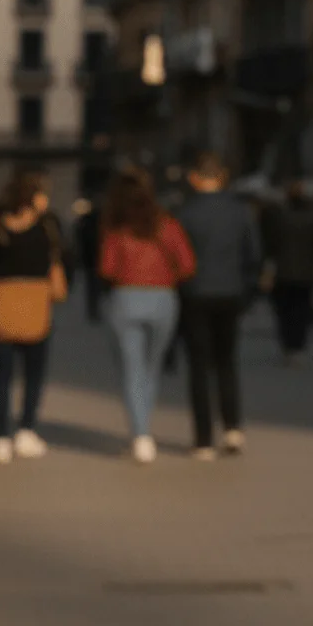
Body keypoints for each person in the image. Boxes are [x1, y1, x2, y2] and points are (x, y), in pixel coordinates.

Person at [98, 167, 196, 463]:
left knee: (132, 370)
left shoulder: (117, 230)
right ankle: (144, 428)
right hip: (163, 298)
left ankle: (141, 436)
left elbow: (106, 268)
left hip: (126, 298)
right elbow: (187, 264)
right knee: (151, 367)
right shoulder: (167, 225)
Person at [0, 171, 67, 464]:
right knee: (33, 374)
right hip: (36, 305)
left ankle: (0, 437)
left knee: (2, 376)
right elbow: (63, 259)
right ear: (33, 197)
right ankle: (25, 430)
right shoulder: (47, 227)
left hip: (1, 304)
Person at [175, 152, 262, 459]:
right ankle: (233, 428)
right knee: (227, 362)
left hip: (195, 294)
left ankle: (203, 440)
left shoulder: (184, 213)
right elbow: (253, 254)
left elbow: (176, 257)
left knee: (199, 366)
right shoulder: (240, 212)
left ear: (194, 178)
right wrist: (247, 292)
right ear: (222, 177)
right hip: (230, 293)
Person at [260, 180, 313, 364]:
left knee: (285, 311)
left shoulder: (280, 217)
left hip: (284, 272)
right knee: (302, 310)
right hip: (306, 272)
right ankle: (298, 345)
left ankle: (289, 345)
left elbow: (270, 242)